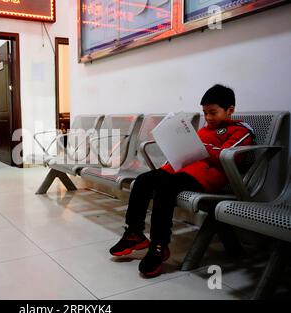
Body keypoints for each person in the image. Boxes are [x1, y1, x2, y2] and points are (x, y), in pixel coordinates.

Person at [109, 84, 255, 278]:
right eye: (205, 113)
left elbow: (229, 155)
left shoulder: (239, 131)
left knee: (165, 189)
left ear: (230, 110)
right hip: (182, 170)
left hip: (207, 176)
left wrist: (202, 146)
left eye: (213, 112)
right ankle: (134, 233)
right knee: (143, 180)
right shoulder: (205, 129)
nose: (208, 118)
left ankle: (159, 246)